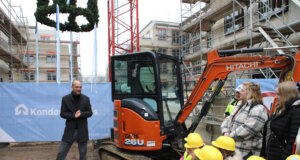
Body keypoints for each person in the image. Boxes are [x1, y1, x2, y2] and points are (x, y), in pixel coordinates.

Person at [221, 82, 268, 159]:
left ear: (249, 93)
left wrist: (229, 136)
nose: (239, 92)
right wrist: (225, 131)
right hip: (233, 152)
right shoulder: (239, 104)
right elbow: (228, 119)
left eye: (242, 90)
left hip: (246, 154)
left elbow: (248, 129)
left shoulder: (258, 109)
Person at [261, 81, 300, 160]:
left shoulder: (296, 111)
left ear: (286, 94)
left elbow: (292, 141)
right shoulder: (280, 109)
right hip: (271, 155)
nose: (276, 96)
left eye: (278, 94)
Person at [56, 80, 93, 160]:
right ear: (72, 87)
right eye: (77, 87)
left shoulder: (86, 99)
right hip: (70, 130)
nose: (79, 89)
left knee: (83, 156)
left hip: (82, 131)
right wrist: (73, 116)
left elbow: (90, 113)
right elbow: (62, 114)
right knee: (61, 154)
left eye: (80, 87)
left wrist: (81, 114)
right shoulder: (65, 99)